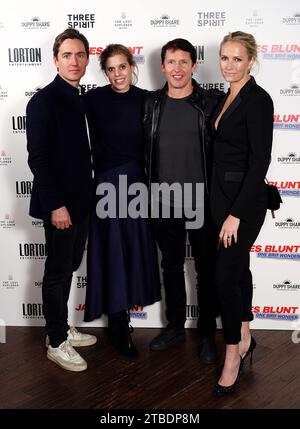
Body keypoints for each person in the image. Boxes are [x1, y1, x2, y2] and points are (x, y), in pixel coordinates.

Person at [144, 38, 223, 363]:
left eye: (183, 62)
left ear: (193, 65)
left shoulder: (211, 103)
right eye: (171, 62)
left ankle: (207, 334)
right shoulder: (150, 105)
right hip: (163, 200)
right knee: (171, 267)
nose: (177, 69)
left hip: (203, 200)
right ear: (163, 66)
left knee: (206, 270)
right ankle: (175, 326)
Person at [83, 44, 161, 358]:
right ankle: (117, 323)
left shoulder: (146, 100)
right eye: (111, 69)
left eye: (122, 67)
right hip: (105, 184)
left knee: (131, 252)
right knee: (112, 253)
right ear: (105, 71)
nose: (117, 74)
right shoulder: (92, 100)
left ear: (132, 66)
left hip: (136, 184)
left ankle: (125, 315)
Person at [26, 28, 97, 372]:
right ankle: (56, 341)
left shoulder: (80, 97)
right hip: (60, 207)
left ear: (87, 59)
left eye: (80, 55)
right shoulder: (43, 101)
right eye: (67, 55)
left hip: (81, 204)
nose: (74, 61)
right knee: (56, 273)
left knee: (68, 268)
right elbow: (37, 158)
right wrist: (56, 205)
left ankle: (61, 327)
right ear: (55, 60)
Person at [210, 31, 274, 395]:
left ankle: (232, 354)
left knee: (223, 278)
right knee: (238, 269)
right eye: (224, 58)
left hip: (243, 203)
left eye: (237, 59)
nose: (229, 65)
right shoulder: (224, 97)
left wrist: (236, 213)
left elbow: (259, 161)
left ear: (251, 60)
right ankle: (246, 333)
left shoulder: (258, 100)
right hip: (219, 197)